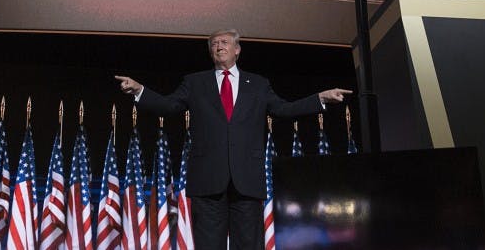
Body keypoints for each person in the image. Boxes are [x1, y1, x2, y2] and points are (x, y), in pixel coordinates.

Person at [115, 29, 351, 250]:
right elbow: (169, 106)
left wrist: (319, 98)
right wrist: (139, 90)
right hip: (207, 180)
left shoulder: (258, 84)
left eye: (224, 42)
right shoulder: (195, 82)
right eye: (214, 44)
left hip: (246, 179)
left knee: (248, 244)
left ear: (237, 50)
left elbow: (283, 109)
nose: (219, 46)